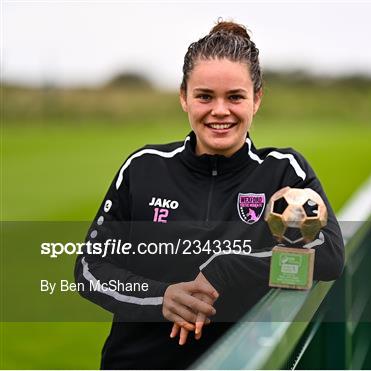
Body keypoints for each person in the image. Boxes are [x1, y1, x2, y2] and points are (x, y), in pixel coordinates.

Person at [75, 20, 344, 369]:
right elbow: (89, 267)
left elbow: (329, 256)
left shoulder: (283, 171)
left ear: (256, 99)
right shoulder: (144, 167)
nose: (220, 111)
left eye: (235, 97)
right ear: (184, 97)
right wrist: (162, 298)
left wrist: (229, 268)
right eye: (204, 96)